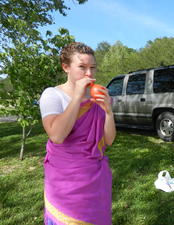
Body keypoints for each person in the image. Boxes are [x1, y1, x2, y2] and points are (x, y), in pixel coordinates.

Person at [39, 42, 116, 225]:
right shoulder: (52, 95)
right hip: (65, 183)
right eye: (82, 67)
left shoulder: (96, 98)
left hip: (95, 180)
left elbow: (109, 140)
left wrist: (108, 111)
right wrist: (76, 98)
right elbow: (57, 136)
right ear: (66, 67)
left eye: (92, 68)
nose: (89, 74)